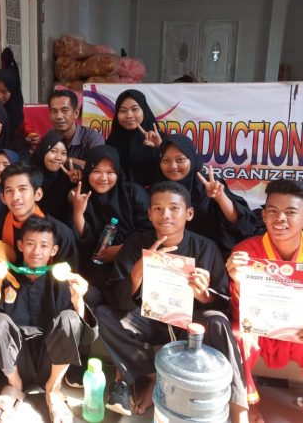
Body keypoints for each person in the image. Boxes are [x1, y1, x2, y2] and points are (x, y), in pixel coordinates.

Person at [96, 181, 248, 421]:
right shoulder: (136, 244)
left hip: (190, 324)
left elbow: (223, 303)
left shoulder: (205, 247)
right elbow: (117, 298)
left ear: (189, 213)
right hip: (148, 319)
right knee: (104, 314)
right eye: (158, 208)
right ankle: (151, 376)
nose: (165, 214)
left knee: (218, 320)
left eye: (174, 208)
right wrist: (137, 273)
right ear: (149, 213)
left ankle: (240, 407)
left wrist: (204, 295)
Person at [0, 217, 97, 422]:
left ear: (53, 250)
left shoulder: (62, 282)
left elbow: (85, 336)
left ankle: (53, 389)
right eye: (30, 243)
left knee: (70, 318)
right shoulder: (6, 278)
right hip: (14, 361)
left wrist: (78, 300)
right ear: (20, 245)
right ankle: (15, 385)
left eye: (44, 246)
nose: (36, 251)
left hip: (51, 360)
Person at [227, 179, 303, 423]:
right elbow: (239, 313)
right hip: (260, 330)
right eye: (273, 211)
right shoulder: (246, 252)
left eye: (290, 212)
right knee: (237, 335)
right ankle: (246, 405)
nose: (280, 219)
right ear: (264, 214)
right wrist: (238, 281)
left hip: (298, 332)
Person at [0, 162, 78, 277]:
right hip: (4, 285)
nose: (15, 197)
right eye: (9, 191)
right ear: (3, 198)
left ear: (38, 194)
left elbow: (70, 277)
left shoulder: (61, 233)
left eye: (22, 189)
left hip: (47, 289)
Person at [157, 134, 258, 259]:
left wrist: (220, 197)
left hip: (208, 256)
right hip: (168, 257)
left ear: (192, 159)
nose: (173, 166)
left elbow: (242, 224)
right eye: (166, 160)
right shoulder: (157, 188)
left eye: (180, 160)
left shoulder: (208, 184)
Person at [71, 145, 152, 300]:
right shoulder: (82, 197)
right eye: (96, 171)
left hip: (133, 265)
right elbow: (84, 243)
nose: (103, 178)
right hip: (96, 268)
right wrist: (77, 213)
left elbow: (150, 233)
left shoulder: (133, 194)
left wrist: (122, 250)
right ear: (87, 172)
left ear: (118, 172)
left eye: (110, 172)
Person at [106, 89, 166, 188]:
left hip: (157, 194)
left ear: (144, 110)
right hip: (121, 194)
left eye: (134, 109)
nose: (129, 115)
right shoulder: (112, 142)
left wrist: (161, 147)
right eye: (123, 111)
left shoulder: (162, 140)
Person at [48, 89, 104, 173]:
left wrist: (66, 160)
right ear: (49, 115)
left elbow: (99, 168)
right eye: (54, 111)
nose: (59, 116)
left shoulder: (93, 137)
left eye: (65, 110)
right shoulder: (50, 135)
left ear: (76, 113)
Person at [29, 131, 74, 224]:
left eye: (63, 153)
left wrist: (76, 182)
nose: (59, 157)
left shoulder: (67, 176)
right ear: (43, 151)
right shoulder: (27, 173)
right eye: (53, 151)